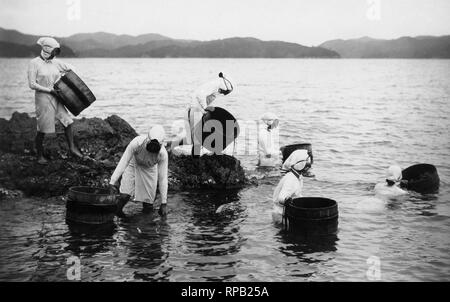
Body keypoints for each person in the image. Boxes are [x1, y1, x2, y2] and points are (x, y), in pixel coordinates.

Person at [27, 37, 82, 164]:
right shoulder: (34, 63)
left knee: (67, 121)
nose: (55, 54)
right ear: (47, 50)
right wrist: (49, 90)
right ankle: (39, 155)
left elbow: (72, 68)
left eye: (57, 51)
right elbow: (32, 84)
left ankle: (72, 148)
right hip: (43, 98)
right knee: (43, 128)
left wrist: (64, 82)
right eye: (54, 51)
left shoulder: (55, 62)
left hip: (57, 96)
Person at [109, 125, 168, 216]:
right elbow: (124, 161)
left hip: (150, 169)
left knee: (148, 204)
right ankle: (115, 217)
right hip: (133, 164)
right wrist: (112, 182)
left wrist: (164, 203)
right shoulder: (136, 143)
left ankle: (145, 226)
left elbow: (163, 178)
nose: (152, 150)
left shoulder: (163, 154)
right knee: (124, 196)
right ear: (147, 139)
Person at [185, 72, 233, 157]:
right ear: (224, 85)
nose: (223, 93)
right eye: (225, 91)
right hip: (195, 110)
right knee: (197, 139)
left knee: (197, 137)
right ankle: (195, 161)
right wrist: (205, 108)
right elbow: (200, 95)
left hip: (199, 110)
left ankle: (195, 156)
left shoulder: (215, 87)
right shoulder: (214, 85)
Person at [272, 150, 312, 224]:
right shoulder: (291, 179)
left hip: (285, 212)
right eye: (307, 165)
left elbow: (296, 194)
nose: (309, 168)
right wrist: (289, 200)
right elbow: (281, 198)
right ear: (301, 164)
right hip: (280, 215)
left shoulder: (298, 177)